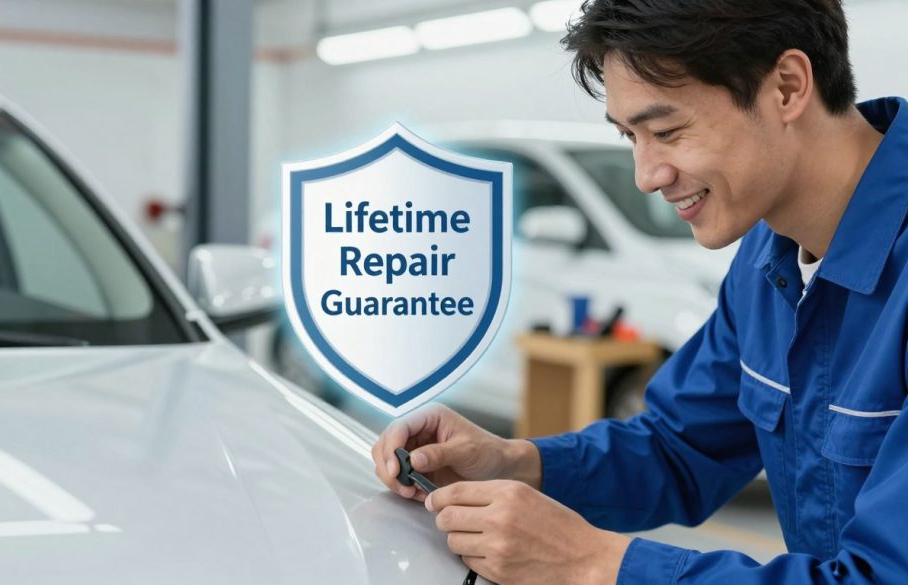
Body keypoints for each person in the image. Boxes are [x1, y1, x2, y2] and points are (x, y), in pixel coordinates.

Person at [371, 1, 908, 583]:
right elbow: (680, 447)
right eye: (631, 136)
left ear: (787, 87)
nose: (647, 176)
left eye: (666, 132)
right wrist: (512, 462)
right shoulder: (765, 259)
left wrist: (590, 562)